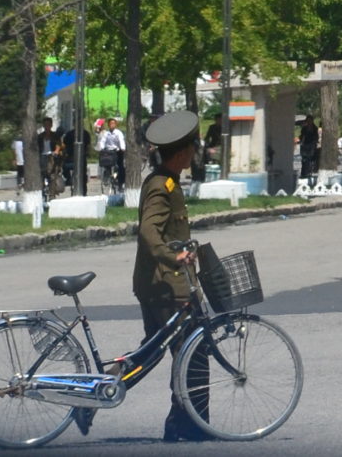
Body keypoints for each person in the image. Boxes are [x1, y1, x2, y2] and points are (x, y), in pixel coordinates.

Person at [133, 110, 209, 441]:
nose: (194, 152)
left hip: (159, 282)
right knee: (193, 352)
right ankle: (190, 424)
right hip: (166, 284)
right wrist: (173, 256)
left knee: (150, 352)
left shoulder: (168, 181)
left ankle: (107, 387)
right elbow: (148, 231)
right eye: (192, 147)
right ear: (181, 152)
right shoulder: (161, 186)